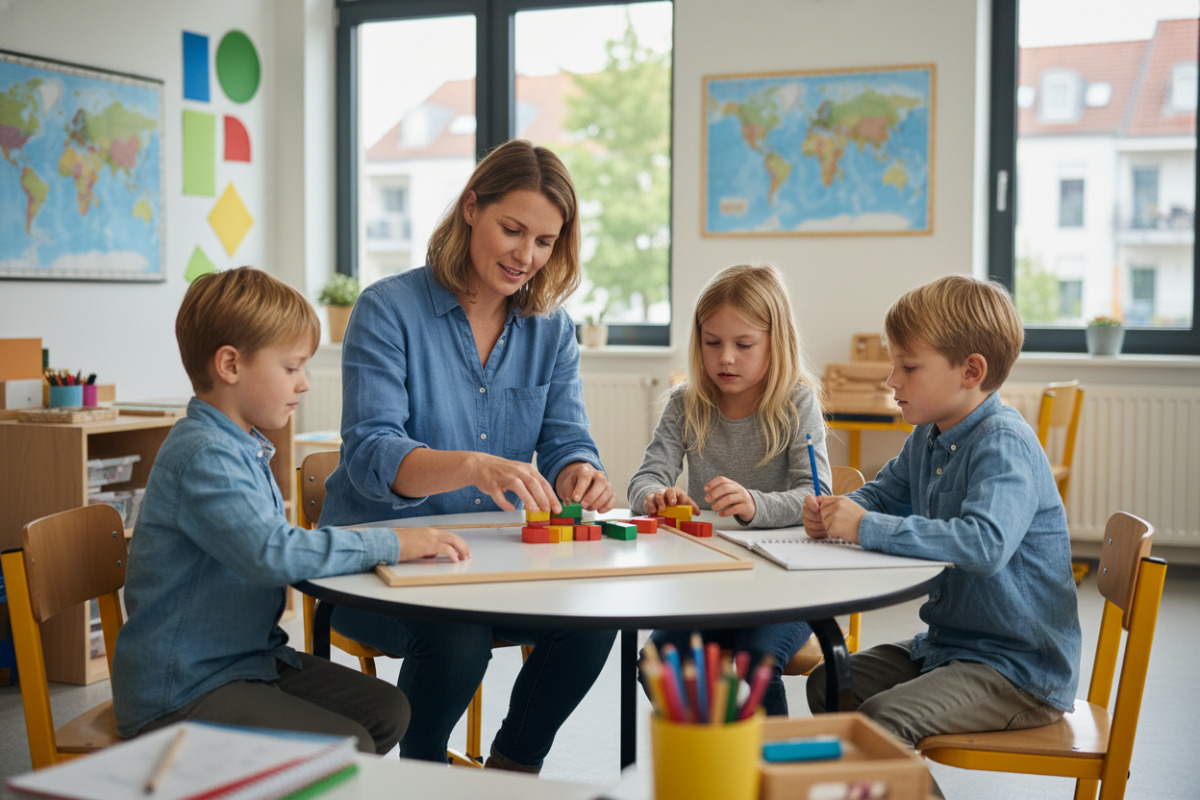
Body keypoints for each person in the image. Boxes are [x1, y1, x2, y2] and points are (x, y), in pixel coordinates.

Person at [320, 139, 618, 772]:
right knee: (458, 636)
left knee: (594, 621)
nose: (527, 256)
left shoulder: (552, 329)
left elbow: (568, 441)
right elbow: (373, 452)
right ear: (470, 208)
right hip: (377, 560)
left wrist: (580, 475)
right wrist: (472, 466)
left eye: (545, 242)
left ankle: (510, 771)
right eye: (512, 230)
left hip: (491, 564)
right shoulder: (386, 309)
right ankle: (422, 774)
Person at [111, 267, 469, 755]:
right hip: (182, 688)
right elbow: (272, 553)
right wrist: (394, 543)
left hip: (246, 660)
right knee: (350, 745)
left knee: (389, 713)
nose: (303, 385)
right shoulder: (204, 455)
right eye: (291, 367)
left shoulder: (243, 447)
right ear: (230, 365)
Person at [803, 274, 1082, 749]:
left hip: (1018, 668)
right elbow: (883, 495)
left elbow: (983, 544)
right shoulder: (928, 435)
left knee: (881, 719)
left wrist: (866, 527)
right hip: (951, 647)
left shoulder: (1002, 442)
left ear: (971, 372)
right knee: (829, 682)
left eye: (908, 367)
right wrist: (841, 509)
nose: (892, 381)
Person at [627, 263, 831, 715]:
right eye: (712, 343)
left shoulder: (797, 402)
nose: (725, 359)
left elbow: (813, 498)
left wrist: (753, 504)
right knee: (654, 663)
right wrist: (656, 497)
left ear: (776, 343)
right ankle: (718, 760)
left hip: (785, 584)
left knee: (752, 665)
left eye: (744, 344)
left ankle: (766, 779)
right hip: (710, 582)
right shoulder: (686, 403)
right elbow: (643, 480)